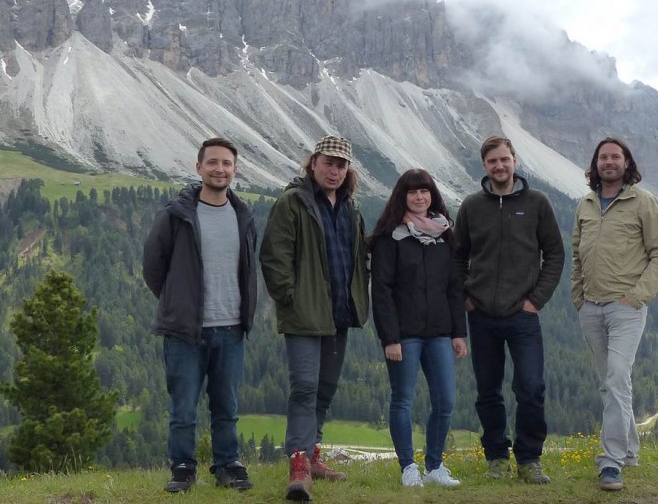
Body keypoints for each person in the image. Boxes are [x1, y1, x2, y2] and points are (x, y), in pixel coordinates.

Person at [142, 137, 257, 493]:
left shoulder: (242, 215)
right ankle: (182, 469)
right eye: (213, 162)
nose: (220, 169)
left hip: (231, 328)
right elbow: (153, 267)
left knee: (227, 407)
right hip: (184, 332)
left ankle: (228, 466)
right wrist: (178, 303)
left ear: (234, 170)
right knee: (183, 409)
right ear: (199, 167)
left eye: (226, 164)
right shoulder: (175, 216)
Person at [260, 135, 369, 501]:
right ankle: (298, 465)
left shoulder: (351, 208)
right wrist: (290, 299)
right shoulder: (294, 202)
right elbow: (274, 255)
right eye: (328, 163)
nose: (334, 170)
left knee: (324, 389)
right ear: (313, 163)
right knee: (305, 387)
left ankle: (313, 455)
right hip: (305, 315)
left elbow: (359, 257)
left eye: (341, 165)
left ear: (347, 170)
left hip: (339, 315)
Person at [453, 135, 564, 484]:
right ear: (484, 166)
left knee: (531, 387)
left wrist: (536, 300)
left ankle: (529, 459)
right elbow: (457, 257)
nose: (499, 166)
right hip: (481, 314)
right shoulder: (472, 206)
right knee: (488, 390)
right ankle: (497, 457)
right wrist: (467, 297)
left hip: (523, 314)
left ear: (515, 160)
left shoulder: (537, 202)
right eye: (492, 161)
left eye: (504, 159)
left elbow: (555, 254)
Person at [571, 137, 658, 492]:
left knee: (616, 376)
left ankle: (610, 462)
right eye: (603, 157)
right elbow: (576, 253)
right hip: (591, 307)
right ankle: (629, 450)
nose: (609, 162)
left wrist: (637, 297)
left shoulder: (643, 202)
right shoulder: (585, 204)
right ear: (595, 163)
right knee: (610, 381)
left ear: (627, 163)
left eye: (616, 156)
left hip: (625, 308)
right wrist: (578, 296)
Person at [370, 169, 468, 488]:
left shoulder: (444, 236)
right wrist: (390, 338)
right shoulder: (390, 237)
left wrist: (458, 333)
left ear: (432, 195)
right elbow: (382, 290)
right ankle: (408, 467)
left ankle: (435, 467)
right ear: (402, 196)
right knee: (403, 400)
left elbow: (454, 288)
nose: (419, 197)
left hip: (440, 332)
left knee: (445, 401)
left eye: (424, 191)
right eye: (412, 192)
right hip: (404, 335)